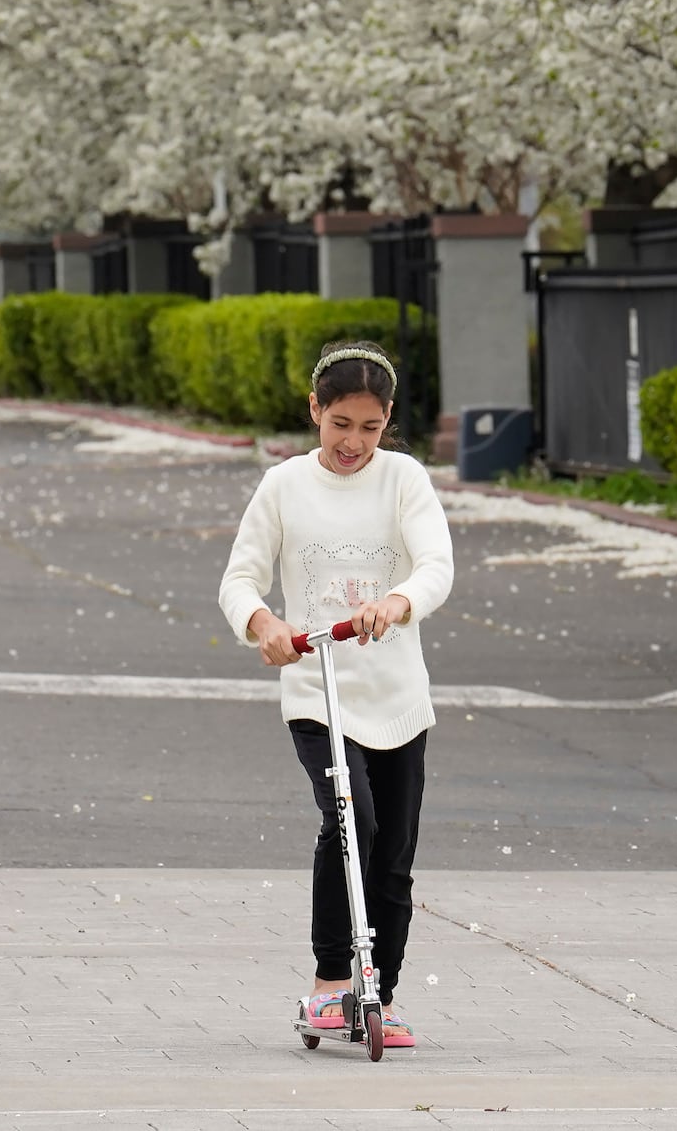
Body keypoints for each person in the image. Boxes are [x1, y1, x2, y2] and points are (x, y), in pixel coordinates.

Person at [218, 341, 454, 1049]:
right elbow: (239, 580)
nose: (354, 442)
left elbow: (436, 564)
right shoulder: (284, 486)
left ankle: (378, 993)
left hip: (398, 697)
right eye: (340, 423)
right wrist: (264, 623)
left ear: (388, 423)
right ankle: (328, 986)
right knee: (352, 823)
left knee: (394, 850)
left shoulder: (405, 480)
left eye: (370, 428)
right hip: (318, 691)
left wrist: (400, 600)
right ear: (315, 410)